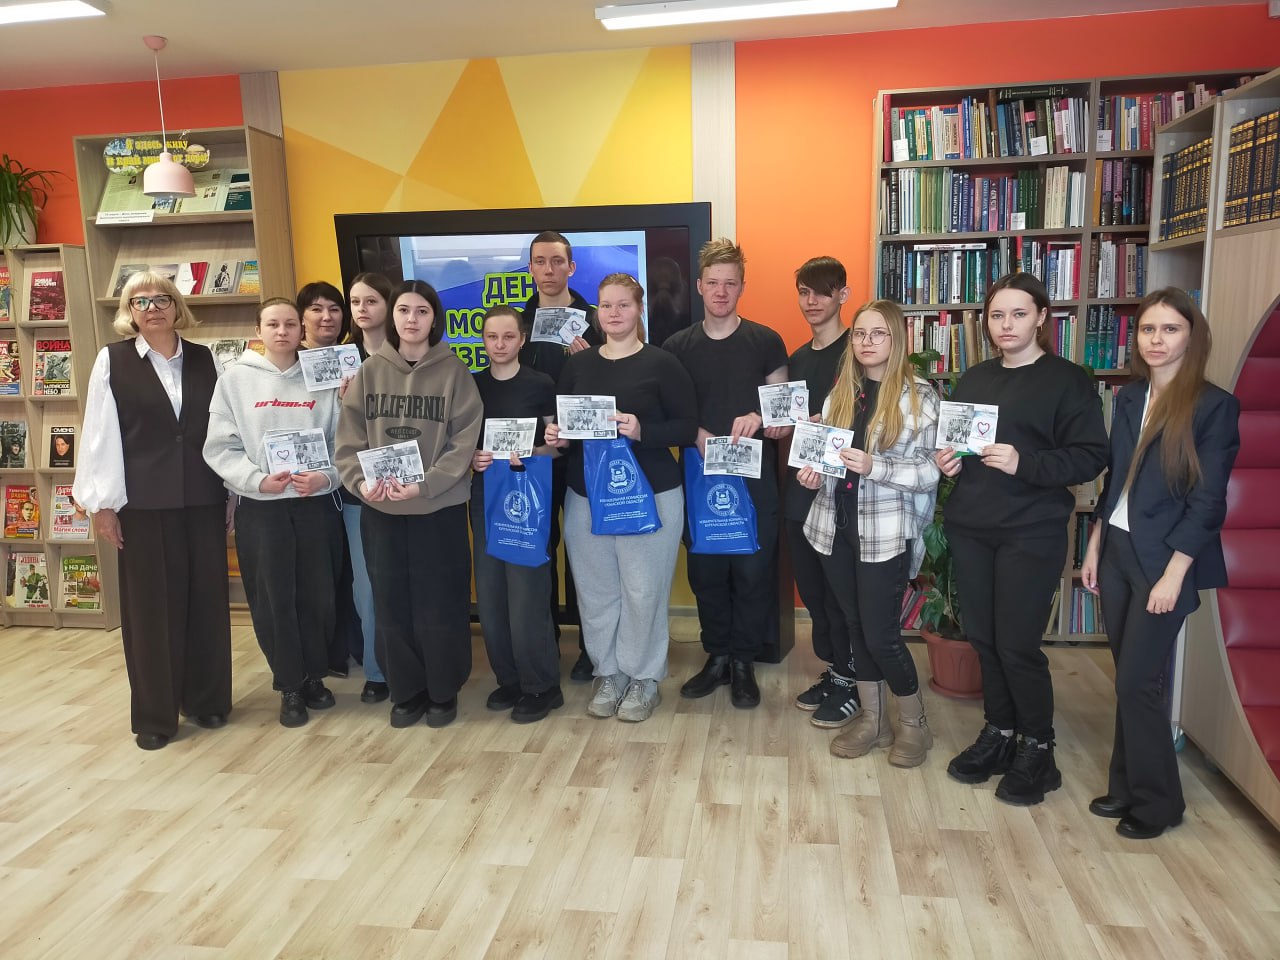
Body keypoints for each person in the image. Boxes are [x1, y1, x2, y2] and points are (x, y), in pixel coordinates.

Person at [936, 272, 1107, 805]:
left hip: (1030, 531)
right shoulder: (974, 379)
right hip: (972, 526)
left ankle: (1038, 749)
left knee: (1016, 644)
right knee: (984, 639)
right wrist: (949, 463)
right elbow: (960, 447)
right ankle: (1000, 732)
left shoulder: (1066, 380)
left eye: (1018, 314)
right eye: (996, 315)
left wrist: (1024, 462)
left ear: (1041, 318)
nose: (1006, 324)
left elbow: (1090, 456)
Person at [1081, 288, 1240, 839]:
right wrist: (1095, 543)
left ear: (1192, 337)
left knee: (1136, 684)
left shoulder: (1214, 406)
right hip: (1118, 550)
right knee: (1129, 678)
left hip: (1165, 560)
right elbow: (1116, 478)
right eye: (1148, 329)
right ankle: (1125, 786)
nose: (1157, 339)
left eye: (1170, 329)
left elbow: (1209, 502)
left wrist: (1175, 575)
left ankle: (1159, 804)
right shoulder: (1129, 397)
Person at [73, 271, 233, 750]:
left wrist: (231, 493)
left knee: (206, 601)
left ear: (177, 305)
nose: (152, 308)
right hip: (142, 504)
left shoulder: (207, 359)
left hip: (203, 497)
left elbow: (224, 430)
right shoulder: (113, 360)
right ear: (129, 312)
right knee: (150, 612)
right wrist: (103, 505)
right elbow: (99, 434)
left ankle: (206, 699)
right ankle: (155, 716)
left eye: (162, 299)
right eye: (140, 301)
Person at [547, 273, 696, 721]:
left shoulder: (662, 363)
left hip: (650, 495)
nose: (614, 314)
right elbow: (564, 426)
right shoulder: (578, 365)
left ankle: (643, 678)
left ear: (639, 309)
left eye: (623, 305)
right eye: (606, 306)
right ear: (597, 313)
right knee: (596, 593)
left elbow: (686, 427)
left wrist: (642, 429)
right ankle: (609, 672)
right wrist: (558, 437)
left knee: (642, 591)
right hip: (586, 495)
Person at [334, 279, 482, 729]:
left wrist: (425, 485)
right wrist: (361, 483)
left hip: (438, 510)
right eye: (403, 310)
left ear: (434, 318)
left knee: (440, 603)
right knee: (391, 605)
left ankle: (442, 691)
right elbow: (349, 440)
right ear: (392, 316)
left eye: (421, 311)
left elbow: (463, 442)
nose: (411, 319)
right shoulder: (370, 372)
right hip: (382, 511)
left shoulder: (454, 372)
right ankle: (406, 691)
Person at [798, 300, 941, 765]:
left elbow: (930, 472)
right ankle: (874, 720)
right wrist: (814, 474)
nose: (866, 342)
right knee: (856, 627)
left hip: (885, 532)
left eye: (878, 333)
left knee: (882, 636)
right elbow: (827, 459)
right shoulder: (843, 392)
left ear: (897, 339)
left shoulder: (920, 396)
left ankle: (914, 724)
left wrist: (874, 465)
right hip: (835, 527)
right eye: (860, 334)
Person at [203, 298, 344, 728]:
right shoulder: (234, 379)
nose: (282, 332)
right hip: (262, 510)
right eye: (272, 324)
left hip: (315, 504)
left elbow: (343, 441)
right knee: (272, 599)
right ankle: (289, 686)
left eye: (290, 324)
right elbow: (220, 447)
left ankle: (315, 676)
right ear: (258, 331)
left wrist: (327, 477)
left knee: (319, 595)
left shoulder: (323, 377)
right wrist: (255, 481)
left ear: (302, 329)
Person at [664, 238, 789, 708]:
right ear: (699, 286)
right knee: (707, 573)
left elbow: (783, 416)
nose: (721, 292)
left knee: (753, 573)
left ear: (742, 287)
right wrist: (693, 432)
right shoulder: (677, 347)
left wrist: (760, 417)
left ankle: (743, 664)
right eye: (713, 283)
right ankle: (716, 656)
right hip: (699, 479)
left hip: (754, 481)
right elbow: (668, 414)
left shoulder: (766, 341)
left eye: (730, 284)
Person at [519, 231, 604, 683]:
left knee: (586, 553)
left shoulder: (594, 319)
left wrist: (592, 362)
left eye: (557, 261)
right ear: (530, 268)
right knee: (539, 548)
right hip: (534, 452)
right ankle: (544, 642)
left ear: (571, 267)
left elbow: (617, 381)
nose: (548, 270)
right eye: (540, 261)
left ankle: (591, 647)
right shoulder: (518, 321)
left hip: (584, 453)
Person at [470, 305, 562, 723]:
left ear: (522, 339)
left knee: (527, 595)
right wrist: (473, 459)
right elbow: (459, 444)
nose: (500, 344)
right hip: (484, 496)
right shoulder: (471, 385)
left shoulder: (541, 383)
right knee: (491, 596)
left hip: (528, 497)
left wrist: (536, 450)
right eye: (492, 337)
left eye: (509, 336)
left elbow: (557, 446)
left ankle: (541, 685)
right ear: (483, 340)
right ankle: (508, 679)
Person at [784, 257, 852, 717]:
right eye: (804, 292)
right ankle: (836, 669)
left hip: (843, 492)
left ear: (842, 295)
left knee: (840, 592)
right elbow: (790, 424)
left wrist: (827, 423)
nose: (812, 301)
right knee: (812, 590)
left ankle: (853, 678)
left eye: (822, 292)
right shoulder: (798, 358)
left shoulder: (859, 351)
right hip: (801, 488)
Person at [297, 280, 358, 677]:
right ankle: (321, 656)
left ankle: (351, 648)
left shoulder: (355, 360)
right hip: (305, 485)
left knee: (350, 570)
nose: (327, 317)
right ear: (302, 317)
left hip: (350, 482)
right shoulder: (289, 363)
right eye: (316, 309)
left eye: (335, 309)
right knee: (315, 577)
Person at [344, 271, 394, 703]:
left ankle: (412, 665)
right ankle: (377, 671)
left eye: (372, 300)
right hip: (359, 491)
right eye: (356, 301)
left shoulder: (411, 354)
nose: (362, 309)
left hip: (409, 490)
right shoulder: (339, 359)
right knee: (367, 587)